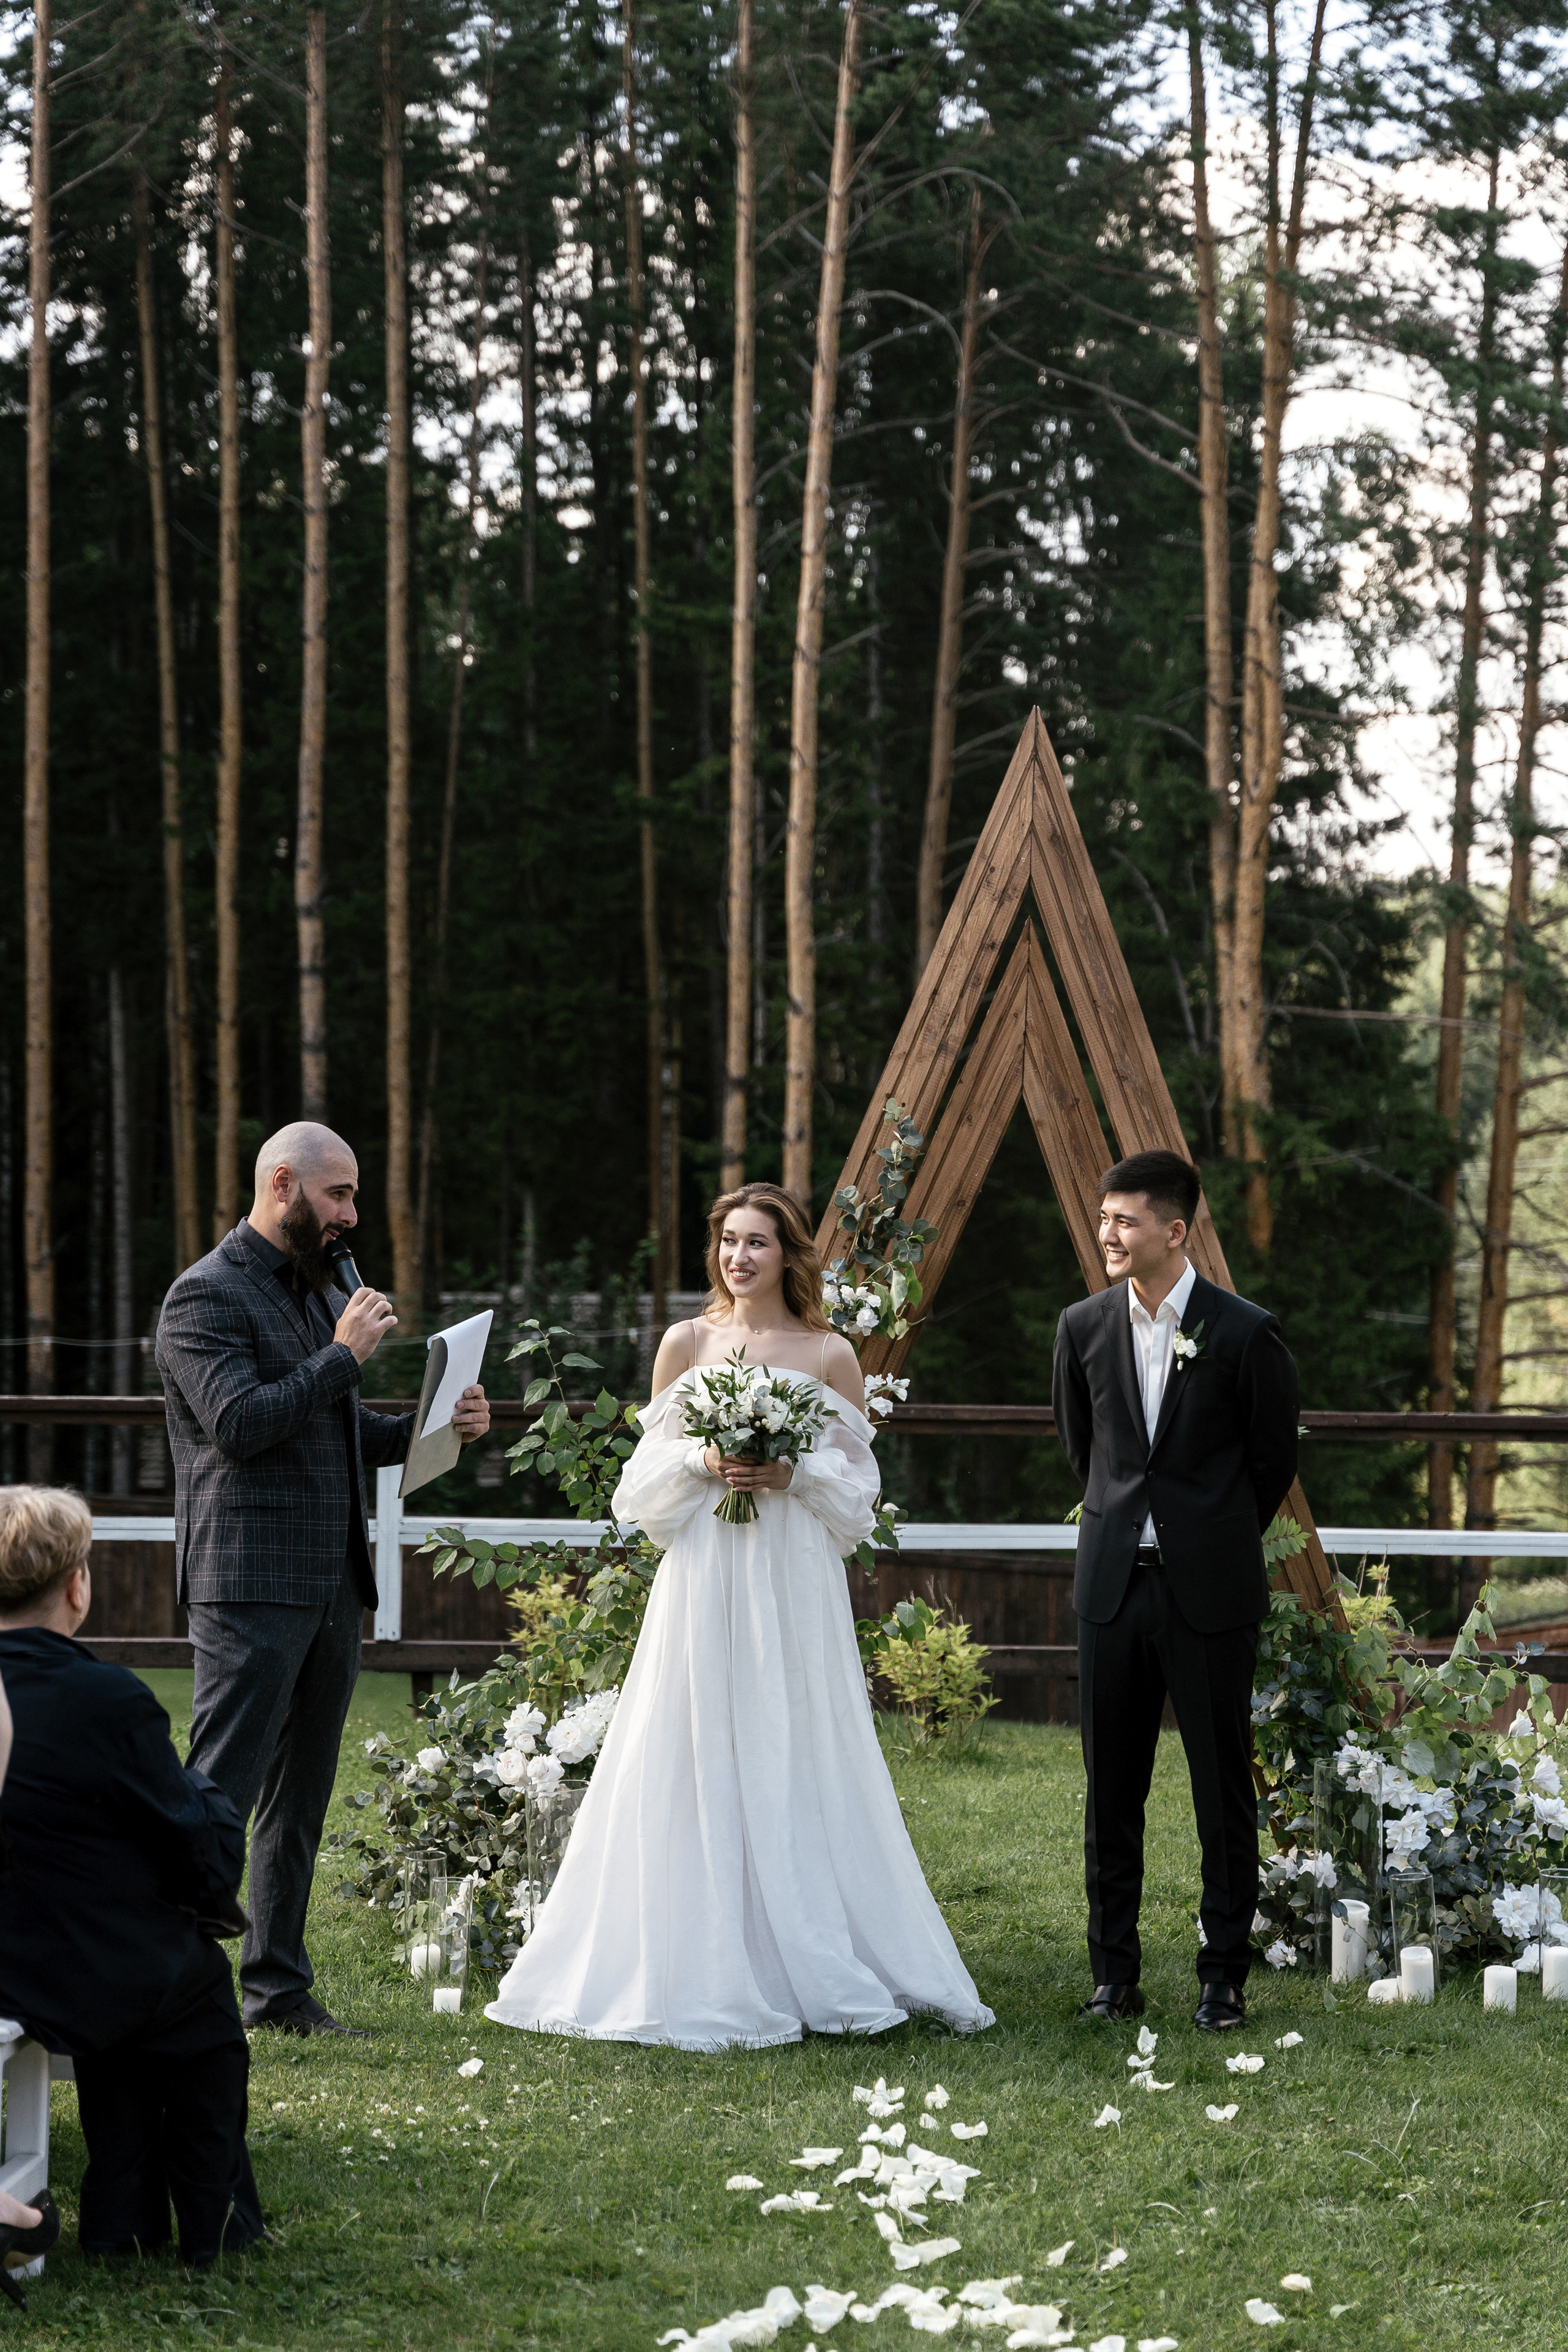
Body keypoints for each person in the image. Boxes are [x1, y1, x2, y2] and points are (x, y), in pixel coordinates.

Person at [485, 1181, 995, 2048]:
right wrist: (701, 1459)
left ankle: (809, 1949)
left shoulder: (831, 1355)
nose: (738, 1257)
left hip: (790, 1579)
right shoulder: (686, 1343)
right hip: (706, 1574)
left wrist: (793, 1475)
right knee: (689, 1739)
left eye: (756, 1242)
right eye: (727, 1241)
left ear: (788, 1253)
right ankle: (692, 1952)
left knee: (789, 1740)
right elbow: (639, 1496)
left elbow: (859, 1502)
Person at [156, 1120, 489, 2035]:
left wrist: (436, 1425)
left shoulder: (315, 1290)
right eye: (337, 1194)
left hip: (333, 1577)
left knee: (300, 1800)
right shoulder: (204, 1297)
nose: (350, 1215)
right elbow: (241, 1423)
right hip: (250, 1581)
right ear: (281, 1185)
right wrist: (343, 1354)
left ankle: (276, 1989)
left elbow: (340, 1433)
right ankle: (168, 1982)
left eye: (351, 1196)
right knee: (220, 1787)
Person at [1052, 1150, 1298, 2034]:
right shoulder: (1081, 1327)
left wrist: (1206, 1533)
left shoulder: (1243, 1332)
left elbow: (1272, 1462)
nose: (1108, 1233)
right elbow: (1086, 1454)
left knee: (1220, 1787)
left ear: (1174, 1231)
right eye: (1104, 1217)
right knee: (1109, 1790)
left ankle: (1222, 1976)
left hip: (1209, 1594)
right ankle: (1113, 1976)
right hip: (1112, 1590)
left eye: (1124, 1220)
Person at [0, 1486, 263, 2264]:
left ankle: (124, 2220)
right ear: (77, 1584)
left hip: (19, 1952)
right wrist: (213, 1801)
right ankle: (213, 2229)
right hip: (61, 1968)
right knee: (190, 1993)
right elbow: (192, 1841)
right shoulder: (105, 1697)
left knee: (136, 1968)